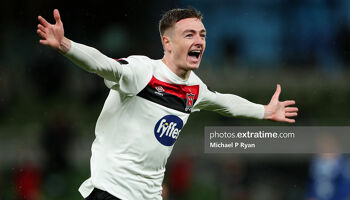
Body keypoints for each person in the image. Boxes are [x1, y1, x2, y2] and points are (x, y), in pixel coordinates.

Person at [36, 8, 298, 200]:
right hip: (113, 190)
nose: (199, 41)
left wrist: (265, 111)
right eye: (189, 34)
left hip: (149, 195)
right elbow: (103, 64)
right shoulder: (143, 71)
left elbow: (224, 102)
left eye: (202, 35)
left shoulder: (194, 88)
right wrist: (66, 45)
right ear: (167, 42)